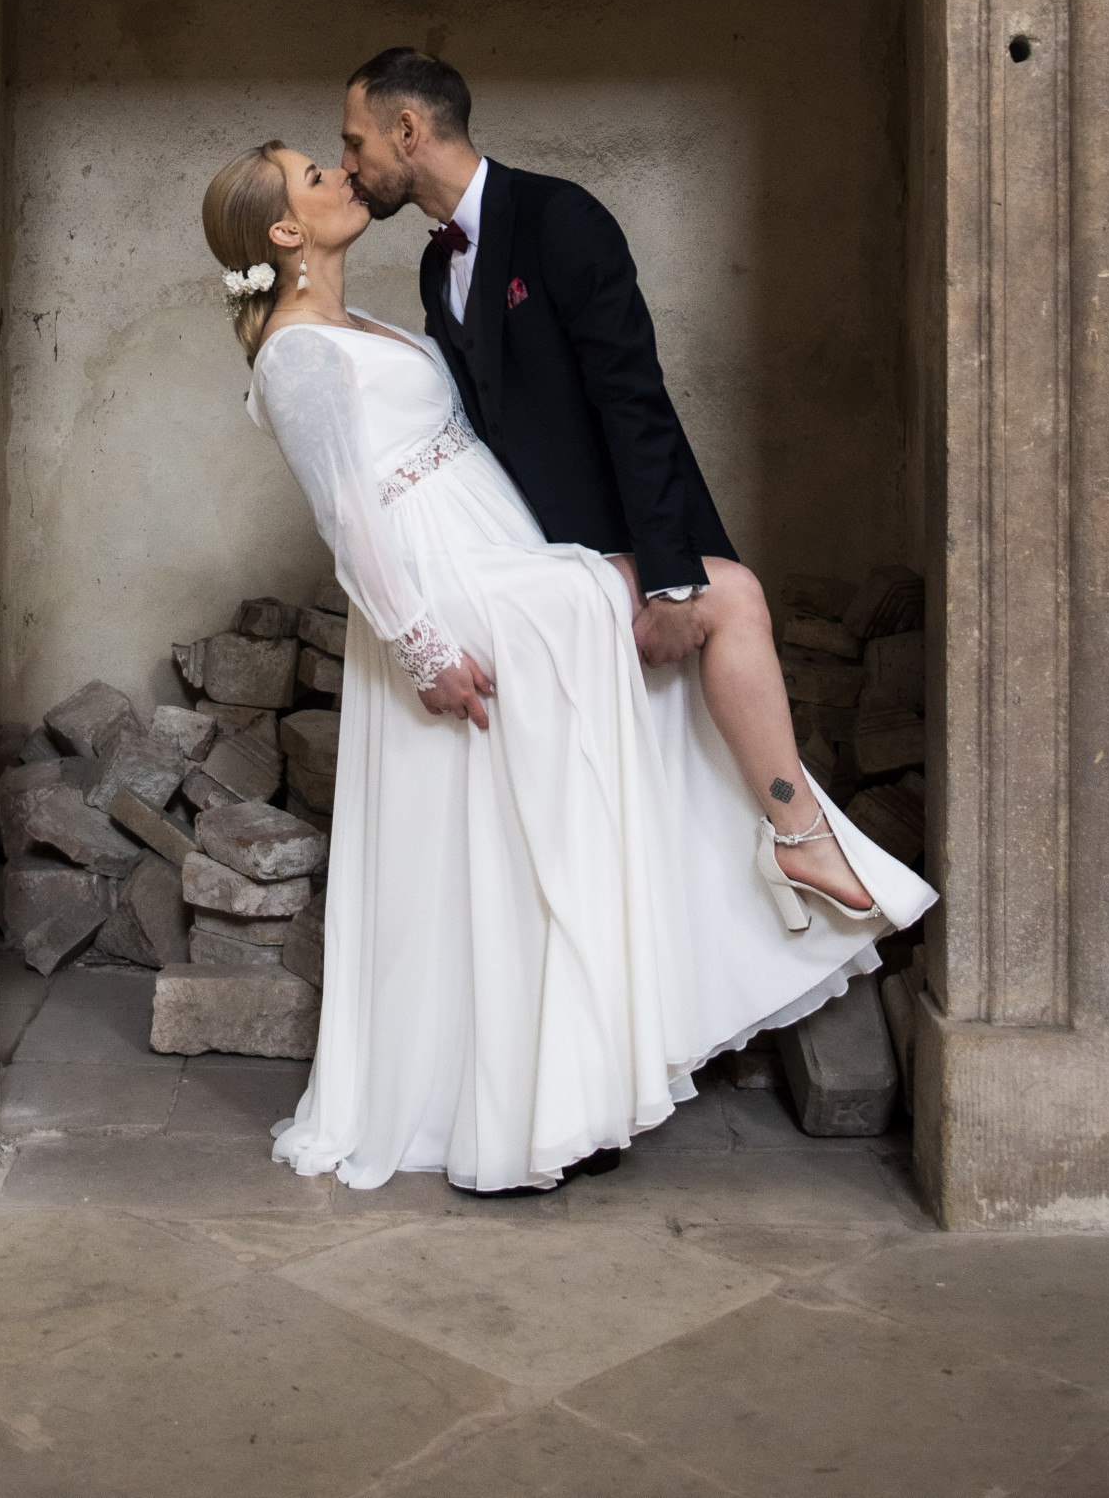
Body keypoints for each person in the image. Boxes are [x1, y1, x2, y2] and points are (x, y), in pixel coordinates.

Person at [201, 121, 935, 1198]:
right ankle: (797, 839)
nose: (342, 174)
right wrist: (422, 648)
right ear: (282, 229)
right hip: (465, 592)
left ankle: (577, 1079)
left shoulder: (358, 321)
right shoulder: (300, 353)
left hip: (504, 560)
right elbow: (347, 518)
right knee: (725, 598)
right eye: (317, 173)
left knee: (543, 825)